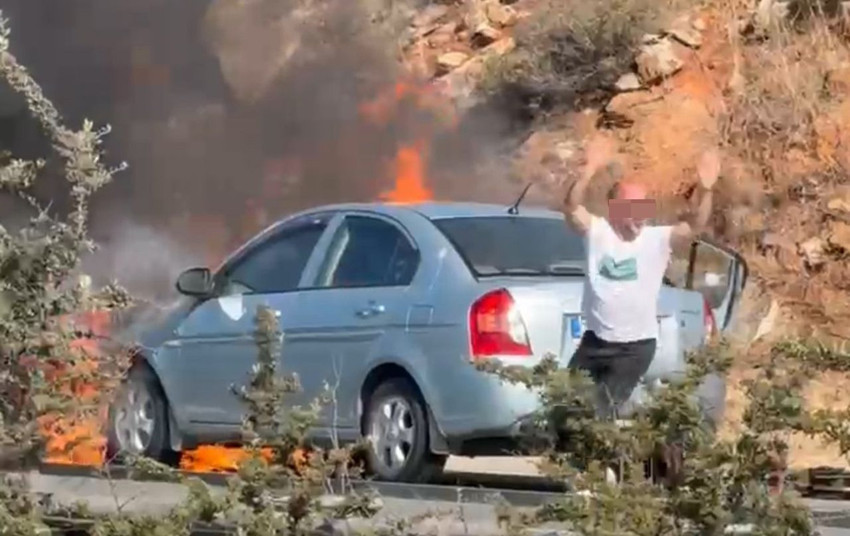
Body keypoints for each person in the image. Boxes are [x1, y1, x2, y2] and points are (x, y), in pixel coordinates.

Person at [562, 136, 721, 419]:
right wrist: (588, 171)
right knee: (564, 404)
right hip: (596, 342)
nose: (639, 217)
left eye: (643, 208)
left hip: (634, 349)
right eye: (630, 209)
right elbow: (572, 207)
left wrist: (706, 190)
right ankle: (573, 458)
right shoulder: (597, 232)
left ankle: (606, 460)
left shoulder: (656, 239)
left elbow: (696, 224)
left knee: (601, 411)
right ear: (615, 210)